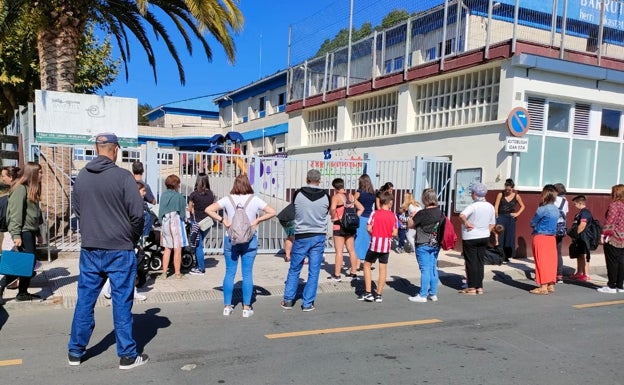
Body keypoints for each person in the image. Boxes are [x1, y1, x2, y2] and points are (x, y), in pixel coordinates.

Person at [68, 132, 148, 369]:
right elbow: (138, 215)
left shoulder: (82, 176)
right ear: (115, 149)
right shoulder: (123, 177)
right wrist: (130, 237)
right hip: (119, 249)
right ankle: (127, 355)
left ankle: (75, 351)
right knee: (122, 301)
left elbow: (78, 210)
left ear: (96, 148)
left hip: (91, 248)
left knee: (85, 300)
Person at [205, 174, 275, 317]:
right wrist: (257, 220)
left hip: (231, 240)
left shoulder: (227, 199)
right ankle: (246, 307)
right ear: (248, 185)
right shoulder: (254, 200)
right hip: (250, 240)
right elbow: (272, 212)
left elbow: (208, 209)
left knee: (229, 273)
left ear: (235, 185)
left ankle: (227, 306)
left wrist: (223, 220)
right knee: (247, 273)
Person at [281, 169, 330, 311]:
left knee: (295, 268)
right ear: (319, 180)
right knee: (314, 271)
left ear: (306, 179)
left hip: (301, 235)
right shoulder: (327, 195)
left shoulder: (298, 194)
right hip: (318, 235)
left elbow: (295, 209)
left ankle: (288, 300)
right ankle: (308, 303)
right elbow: (326, 212)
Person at [0, 163, 43, 302]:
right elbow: (15, 214)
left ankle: (23, 292)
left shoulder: (31, 189)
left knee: (27, 262)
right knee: (25, 262)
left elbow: (34, 215)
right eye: (40, 172)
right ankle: (2, 285)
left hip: (29, 231)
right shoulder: (20, 189)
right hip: (23, 232)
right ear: (33, 173)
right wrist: (16, 234)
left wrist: (38, 233)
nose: (42, 174)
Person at [357, 192, 397, 302]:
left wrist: (374, 234)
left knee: (366, 265)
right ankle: (379, 294)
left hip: (374, 244)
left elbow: (369, 228)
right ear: (390, 202)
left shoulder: (374, 213)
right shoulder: (393, 216)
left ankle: (368, 292)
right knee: (383, 269)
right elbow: (395, 233)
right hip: (386, 246)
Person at [458, 183, 495, 295]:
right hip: (484, 236)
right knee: (480, 261)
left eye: (472, 193)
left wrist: (466, 223)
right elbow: (492, 223)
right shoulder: (490, 206)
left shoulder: (473, 206)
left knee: (471, 261)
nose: (471, 195)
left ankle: (472, 287)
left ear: (475, 194)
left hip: (471, 236)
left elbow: (461, 215)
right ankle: (480, 286)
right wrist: (486, 231)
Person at [408, 188, 443, 302]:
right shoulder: (440, 212)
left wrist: (412, 216)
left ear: (425, 199)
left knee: (425, 269)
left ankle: (422, 294)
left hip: (422, 243)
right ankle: (433, 293)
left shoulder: (422, 213)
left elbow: (410, 225)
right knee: (433, 268)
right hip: (435, 243)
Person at [329, 178, 364, 281]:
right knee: (351, 250)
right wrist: (355, 217)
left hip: (339, 226)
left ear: (334, 187)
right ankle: (353, 273)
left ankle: (337, 274)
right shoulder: (351, 196)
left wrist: (333, 216)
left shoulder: (336, 197)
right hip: (350, 227)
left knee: (339, 251)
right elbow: (361, 208)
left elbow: (332, 209)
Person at [528, 184, 559, 295]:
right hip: (551, 238)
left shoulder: (542, 209)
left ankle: (543, 286)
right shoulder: (556, 209)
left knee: (541, 262)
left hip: (541, 236)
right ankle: (551, 284)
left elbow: (532, 222)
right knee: (551, 262)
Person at [158, 174, 189, 280]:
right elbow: (183, 214)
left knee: (167, 248)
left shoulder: (163, 196)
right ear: (176, 185)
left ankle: (164, 273)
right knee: (177, 249)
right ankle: (177, 273)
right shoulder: (179, 197)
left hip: (165, 223)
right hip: (176, 223)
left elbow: (160, 212)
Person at [187, 173, 215, 275]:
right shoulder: (211, 194)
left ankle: (201, 268)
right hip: (207, 222)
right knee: (200, 242)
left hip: (196, 223)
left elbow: (190, 209)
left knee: (198, 245)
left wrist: (193, 209)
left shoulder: (193, 194)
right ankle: (198, 264)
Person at [599, 184, 624, 294]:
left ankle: (612, 286)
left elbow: (610, 220)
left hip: (614, 237)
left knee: (612, 261)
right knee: (622, 261)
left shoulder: (615, 205)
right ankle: (620, 285)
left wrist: (604, 234)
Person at [493, 178, 525, 262]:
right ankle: (499, 255)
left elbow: (523, 206)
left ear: (512, 188)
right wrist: (496, 215)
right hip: (501, 217)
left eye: (509, 190)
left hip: (510, 218)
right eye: (506, 189)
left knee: (509, 237)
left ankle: (507, 255)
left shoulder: (517, 196)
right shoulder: (500, 194)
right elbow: (496, 205)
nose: (507, 191)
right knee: (500, 236)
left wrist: (517, 214)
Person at [568, 195, 594, 282]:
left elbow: (582, 225)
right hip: (579, 238)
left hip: (584, 238)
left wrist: (575, 234)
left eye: (575, 204)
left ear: (580, 203)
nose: (575, 205)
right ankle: (579, 273)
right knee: (579, 255)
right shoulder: (580, 213)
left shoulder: (585, 213)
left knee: (584, 255)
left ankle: (586, 274)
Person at [354, 174, 376, 268]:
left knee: (358, 241)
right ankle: (368, 263)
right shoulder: (373, 194)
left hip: (361, 217)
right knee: (368, 241)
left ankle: (357, 264)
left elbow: (352, 201)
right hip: (370, 217)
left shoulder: (359, 192)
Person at [553, 183, 568, 283]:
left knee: (550, 251)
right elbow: (566, 212)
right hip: (561, 228)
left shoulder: (552, 200)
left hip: (551, 228)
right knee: (558, 252)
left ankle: (550, 273)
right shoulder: (565, 201)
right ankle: (559, 275)